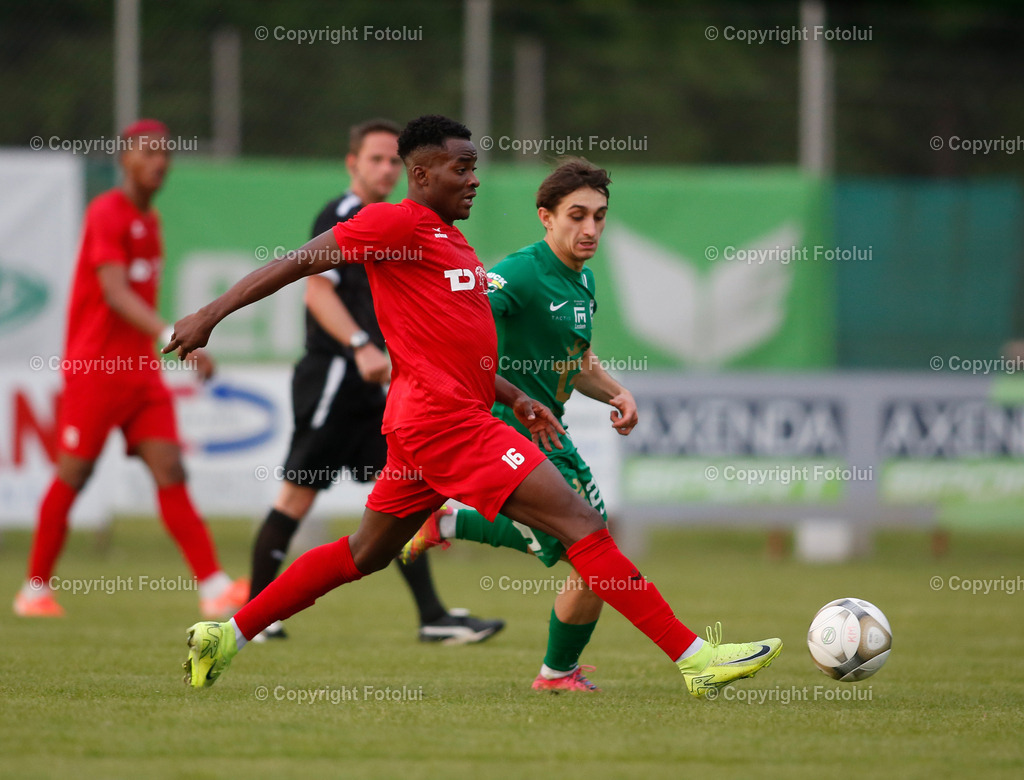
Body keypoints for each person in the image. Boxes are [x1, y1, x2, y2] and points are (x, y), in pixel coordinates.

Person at [168, 115, 782, 699]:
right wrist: (208, 315)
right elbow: (298, 261)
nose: (474, 178)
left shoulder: (450, 243)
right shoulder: (394, 224)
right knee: (583, 524)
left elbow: (455, 343)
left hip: (430, 422)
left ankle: (225, 637)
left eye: (475, 166)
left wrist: (515, 396)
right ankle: (695, 659)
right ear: (423, 174)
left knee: (365, 553)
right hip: (446, 423)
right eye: (462, 168)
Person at [249, 118, 503, 644]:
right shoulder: (348, 215)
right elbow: (315, 290)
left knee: (400, 508)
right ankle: (257, 610)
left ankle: (432, 615)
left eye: (392, 160)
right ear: (353, 164)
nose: (386, 169)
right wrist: (359, 345)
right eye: (376, 160)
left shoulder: (412, 224)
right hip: (336, 376)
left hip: (381, 387)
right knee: (297, 496)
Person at [401, 158, 631, 691]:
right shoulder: (522, 271)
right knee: (594, 550)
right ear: (546, 217)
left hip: (552, 429)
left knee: (591, 549)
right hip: (510, 426)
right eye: (577, 215)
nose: (591, 228)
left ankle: (448, 524)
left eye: (599, 216)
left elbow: (575, 361)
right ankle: (558, 673)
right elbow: (466, 312)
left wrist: (617, 392)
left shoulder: (583, 280)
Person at [14, 120, 247, 619]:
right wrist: (173, 335)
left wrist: (165, 343)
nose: (158, 161)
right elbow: (115, 293)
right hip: (96, 370)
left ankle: (213, 585)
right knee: (73, 475)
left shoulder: (152, 221)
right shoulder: (106, 212)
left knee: (171, 468)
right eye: (147, 152)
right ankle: (34, 590)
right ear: (124, 159)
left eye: (165, 153)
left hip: (141, 373)